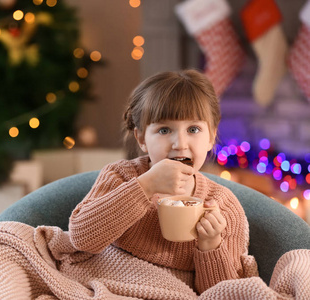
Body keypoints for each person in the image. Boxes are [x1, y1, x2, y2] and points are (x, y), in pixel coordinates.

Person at [68, 69, 257, 294]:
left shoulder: (223, 206)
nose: (180, 143)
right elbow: (81, 239)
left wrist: (211, 245)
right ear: (141, 138)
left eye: (193, 129)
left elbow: (223, 294)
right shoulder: (120, 177)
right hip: (108, 285)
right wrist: (145, 186)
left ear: (211, 138)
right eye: (164, 130)